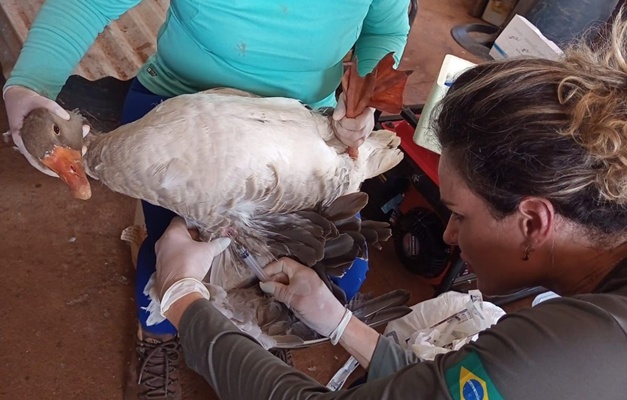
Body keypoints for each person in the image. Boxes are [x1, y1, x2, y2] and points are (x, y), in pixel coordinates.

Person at [151, 15, 627, 399]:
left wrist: (182, 297)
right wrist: (340, 324)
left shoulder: (579, 346)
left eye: (459, 215)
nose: (448, 237)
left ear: (533, 221)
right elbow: (435, 390)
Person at [3, 1, 410, 398]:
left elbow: (386, 27)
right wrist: (28, 85)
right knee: (164, 262)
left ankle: (258, 338)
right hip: (176, 105)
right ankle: (157, 337)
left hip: (301, 123)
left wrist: (364, 99)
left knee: (334, 267)